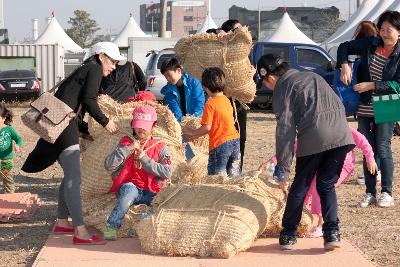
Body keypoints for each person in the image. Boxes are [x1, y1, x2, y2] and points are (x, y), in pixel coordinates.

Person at [21, 42, 122, 245]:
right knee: (74, 179)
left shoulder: (82, 69)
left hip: (61, 126)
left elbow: (74, 104)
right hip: (65, 128)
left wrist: (84, 130)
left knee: (70, 175)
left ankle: (62, 221)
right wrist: (105, 121)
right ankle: (80, 231)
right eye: (112, 61)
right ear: (101, 56)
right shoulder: (93, 68)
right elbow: (89, 100)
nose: (114, 66)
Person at [257, 54, 354, 251]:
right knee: (326, 185)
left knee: (299, 186)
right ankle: (332, 233)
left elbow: (285, 131)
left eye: (265, 82)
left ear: (271, 78)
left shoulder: (283, 88)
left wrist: (282, 170)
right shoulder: (313, 77)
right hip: (342, 134)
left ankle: (288, 234)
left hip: (315, 136)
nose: (267, 86)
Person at [260, 127, 377, 237]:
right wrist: (272, 160)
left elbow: (362, 140)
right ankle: (300, 216)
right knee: (304, 185)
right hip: (321, 164)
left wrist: (370, 158)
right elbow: (292, 147)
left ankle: (321, 224)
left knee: (319, 185)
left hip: (342, 164)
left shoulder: (340, 126)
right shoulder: (311, 129)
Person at [337, 11, 400, 208]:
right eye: (382, 29)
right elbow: (343, 46)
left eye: (389, 30)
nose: (384, 33)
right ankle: (370, 192)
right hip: (365, 103)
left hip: (388, 102)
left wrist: (371, 86)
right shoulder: (371, 43)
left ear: (399, 32)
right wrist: (344, 65)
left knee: (383, 147)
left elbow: (398, 84)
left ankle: (387, 192)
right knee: (368, 149)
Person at [103, 105, 172, 240]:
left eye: (145, 126)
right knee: (129, 194)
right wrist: (128, 149)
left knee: (162, 206)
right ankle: (112, 225)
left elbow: (167, 172)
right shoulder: (126, 142)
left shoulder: (160, 146)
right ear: (132, 125)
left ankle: (139, 223)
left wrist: (144, 159)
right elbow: (109, 165)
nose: (140, 129)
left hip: (152, 190)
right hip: (131, 186)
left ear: (154, 126)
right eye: (138, 125)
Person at [183, 67, 241, 177]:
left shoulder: (210, 104)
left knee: (215, 177)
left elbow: (207, 127)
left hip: (220, 144)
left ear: (206, 87)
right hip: (235, 141)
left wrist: (193, 133)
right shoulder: (226, 100)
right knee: (233, 175)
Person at [160, 57, 205, 122]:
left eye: (169, 75)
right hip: (180, 123)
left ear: (178, 70)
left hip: (196, 121)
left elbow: (199, 103)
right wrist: (182, 123)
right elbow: (175, 110)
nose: (167, 79)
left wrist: (193, 120)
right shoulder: (168, 91)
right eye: (165, 77)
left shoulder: (194, 83)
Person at [0, 104, 22, 193]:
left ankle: (10, 194)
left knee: (7, 177)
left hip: (6, 160)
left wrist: (17, 145)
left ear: (3, 118)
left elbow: (19, 139)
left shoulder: (9, 130)